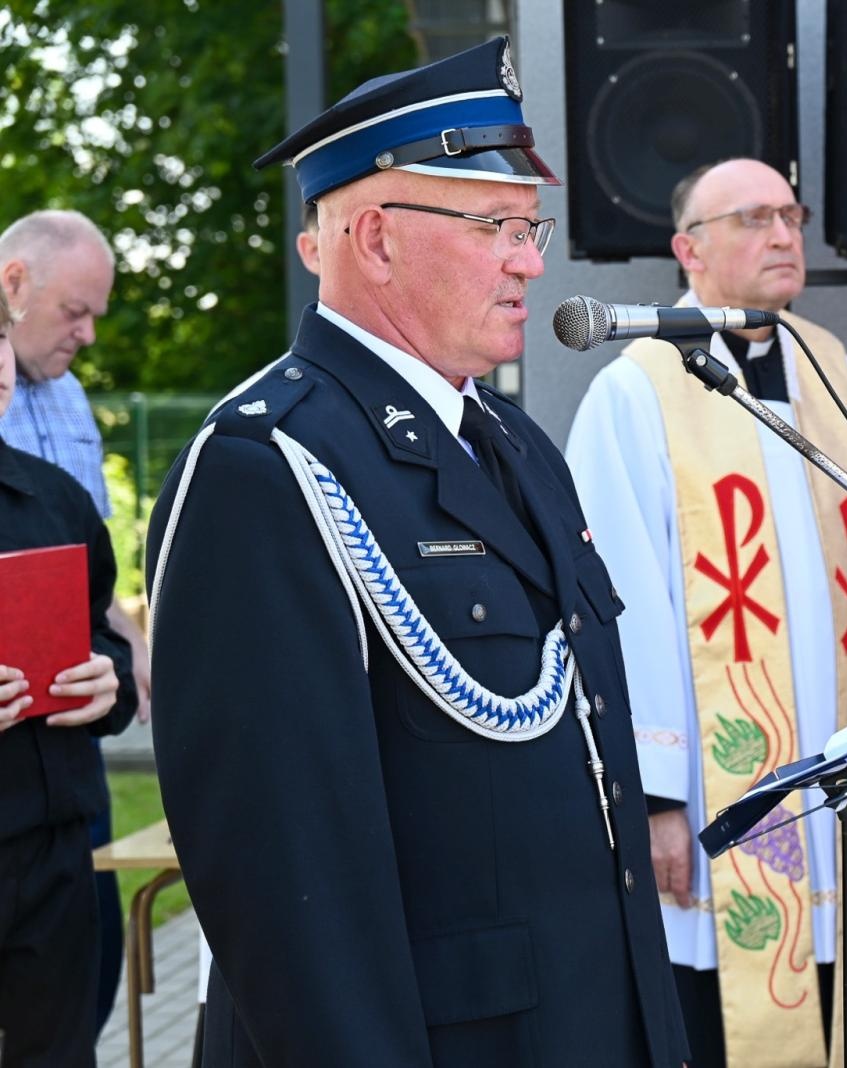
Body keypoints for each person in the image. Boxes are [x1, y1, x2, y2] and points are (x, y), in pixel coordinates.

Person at [145, 38, 688, 1066]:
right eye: (496, 226)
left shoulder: (514, 443)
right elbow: (285, 889)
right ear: (377, 239)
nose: (531, 260)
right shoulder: (266, 467)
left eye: (531, 228)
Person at [565, 158, 847, 1068]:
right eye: (754, 217)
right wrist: (654, 796)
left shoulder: (832, 370)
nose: (783, 233)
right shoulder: (638, 387)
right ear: (688, 249)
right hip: (714, 790)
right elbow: (617, 604)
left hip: (846, 772)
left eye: (791, 214)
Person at [0, 208, 149, 1035]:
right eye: (74, 312)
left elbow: (91, 603)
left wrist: (118, 673)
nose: (88, 335)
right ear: (15, 286)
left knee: (70, 1014)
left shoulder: (61, 444)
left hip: (57, 802)